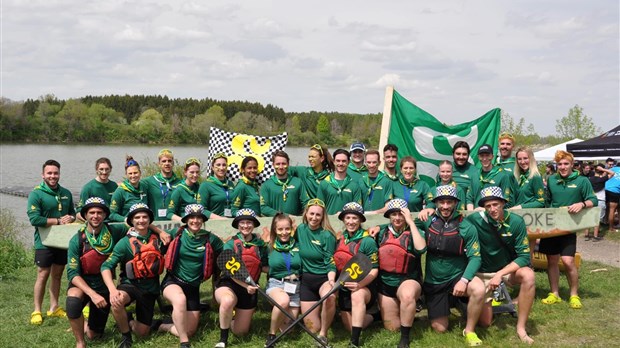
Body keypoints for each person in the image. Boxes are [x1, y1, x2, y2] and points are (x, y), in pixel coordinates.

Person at [466, 187, 536, 345]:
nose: (492, 209)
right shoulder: (475, 219)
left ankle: (521, 328)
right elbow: (455, 220)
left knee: (529, 275)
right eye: (488, 206)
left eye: (496, 204)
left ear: (503, 203)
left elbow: (524, 257)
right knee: (485, 323)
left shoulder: (517, 222)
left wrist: (499, 274)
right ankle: (473, 300)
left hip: (505, 272)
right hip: (482, 273)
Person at [418, 188, 484, 347]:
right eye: (441, 202)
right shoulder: (427, 219)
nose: (445, 206)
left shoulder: (467, 226)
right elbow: (398, 221)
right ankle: (456, 302)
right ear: (436, 203)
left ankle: (469, 330)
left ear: (455, 203)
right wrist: (379, 228)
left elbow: (476, 257)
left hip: (457, 276)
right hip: (435, 280)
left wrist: (464, 280)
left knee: (479, 289)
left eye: (449, 202)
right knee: (439, 328)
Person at [156, 204, 224, 348]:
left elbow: (225, 254)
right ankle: (184, 342)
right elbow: (153, 236)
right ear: (186, 220)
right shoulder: (177, 233)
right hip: (173, 281)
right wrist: (156, 231)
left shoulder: (211, 239)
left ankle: (163, 325)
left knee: (191, 330)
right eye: (192, 217)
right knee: (180, 300)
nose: (195, 221)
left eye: (199, 218)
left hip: (193, 287)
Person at [66, 197, 129, 348]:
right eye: (91, 212)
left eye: (99, 212)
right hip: (83, 282)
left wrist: (159, 231)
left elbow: (139, 225)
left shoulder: (115, 230)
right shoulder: (77, 240)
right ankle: (80, 343)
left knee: (94, 335)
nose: (95, 216)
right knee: (73, 302)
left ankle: (84, 323)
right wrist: (92, 295)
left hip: (103, 285)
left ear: (105, 215)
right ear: (85, 215)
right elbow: (72, 274)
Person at [101, 203, 165, 348]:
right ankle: (125, 336)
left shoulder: (159, 239)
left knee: (142, 332)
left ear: (150, 220)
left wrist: (160, 231)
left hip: (150, 288)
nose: (141, 220)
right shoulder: (124, 243)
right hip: (130, 284)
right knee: (117, 301)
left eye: (145, 217)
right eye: (137, 217)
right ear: (131, 221)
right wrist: (112, 290)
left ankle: (129, 320)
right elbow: (106, 266)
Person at [541, 150, 597, 310]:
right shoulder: (551, 180)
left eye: (566, 164)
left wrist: (582, 204)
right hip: (551, 225)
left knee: (568, 261)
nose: (563, 167)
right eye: (560, 164)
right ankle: (555, 294)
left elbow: (593, 199)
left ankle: (574, 294)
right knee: (551, 260)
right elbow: (547, 201)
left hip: (569, 227)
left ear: (572, 165)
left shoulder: (582, 181)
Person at [27, 159, 76, 325]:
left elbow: (73, 214)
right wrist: (58, 221)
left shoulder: (66, 193)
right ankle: (37, 310)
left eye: (55, 173)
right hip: (44, 241)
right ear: (43, 174)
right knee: (43, 274)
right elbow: (34, 219)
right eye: (49, 173)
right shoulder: (36, 193)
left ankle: (54, 307)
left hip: (62, 241)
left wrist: (72, 217)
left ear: (59, 174)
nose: (52, 176)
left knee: (57, 274)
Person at [375, 199, 426, 348]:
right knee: (392, 327)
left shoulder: (415, 230)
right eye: (394, 215)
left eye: (401, 214)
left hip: (408, 279)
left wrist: (411, 222)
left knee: (408, 295)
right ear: (389, 216)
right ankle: (403, 313)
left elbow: (422, 248)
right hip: (386, 283)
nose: (397, 218)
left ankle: (405, 338)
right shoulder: (381, 232)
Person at [214, 209, 268, 348]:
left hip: (250, 287)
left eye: (249, 222)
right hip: (229, 284)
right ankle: (223, 340)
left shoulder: (261, 246)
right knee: (227, 300)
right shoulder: (230, 244)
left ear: (254, 225)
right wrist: (247, 286)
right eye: (242, 222)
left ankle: (229, 318)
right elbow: (230, 270)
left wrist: (283, 271)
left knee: (241, 332)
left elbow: (264, 266)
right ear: (238, 225)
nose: (245, 225)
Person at [334, 202, 378, 348]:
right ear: (343, 220)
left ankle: (354, 341)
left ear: (360, 220)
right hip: (344, 285)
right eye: (348, 218)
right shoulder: (339, 239)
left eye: (355, 218)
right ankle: (373, 316)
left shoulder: (367, 241)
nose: (351, 222)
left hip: (363, 286)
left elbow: (374, 270)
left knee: (357, 295)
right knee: (349, 326)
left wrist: (360, 285)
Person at [296, 198, 337, 346]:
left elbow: (330, 260)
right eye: (311, 213)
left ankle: (324, 335)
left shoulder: (327, 235)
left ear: (323, 216)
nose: (314, 218)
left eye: (318, 215)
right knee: (312, 328)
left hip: (323, 278)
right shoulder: (300, 230)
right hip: (306, 280)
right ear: (306, 213)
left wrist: (331, 279)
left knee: (329, 297)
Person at [264, 213, 302, 347]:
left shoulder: (298, 246)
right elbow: (262, 266)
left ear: (291, 229)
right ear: (275, 230)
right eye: (280, 229)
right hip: (277, 284)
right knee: (283, 301)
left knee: (288, 330)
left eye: (287, 229)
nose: (284, 232)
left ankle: (280, 321)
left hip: (295, 286)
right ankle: (271, 335)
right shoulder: (268, 247)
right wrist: (279, 272)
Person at [468, 144, 518, 209]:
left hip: (495, 216)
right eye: (481, 156)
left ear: (492, 156)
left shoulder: (502, 175)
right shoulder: (474, 176)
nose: (484, 159)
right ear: (478, 157)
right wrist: (471, 212)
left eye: (487, 155)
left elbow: (506, 200)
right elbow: (469, 198)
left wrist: (487, 210)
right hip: (477, 216)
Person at [260, 150, 306, 216]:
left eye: (283, 164)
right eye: (278, 164)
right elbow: (263, 208)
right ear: (273, 165)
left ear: (288, 164)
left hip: (295, 222)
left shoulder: (298, 182)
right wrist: (283, 215)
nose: (281, 167)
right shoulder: (266, 185)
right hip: (275, 223)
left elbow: (306, 203)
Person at [318, 149, 362, 215]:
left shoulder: (354, 185)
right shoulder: (324, 183)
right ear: (333, 161)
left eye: (344, 161)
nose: (340, 164)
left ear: (349, 162)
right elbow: (319, 207)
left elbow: (357, 209)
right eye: (338, 161)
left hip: (348, 223)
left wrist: (343, 213)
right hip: (328, 223)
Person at [143, 148, 182, 221]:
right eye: (164, 161)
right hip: (155, 224)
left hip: (175, 224)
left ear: (173, 163)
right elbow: (133, 182)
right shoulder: (149, 181)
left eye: (169, 161)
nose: (167, 163)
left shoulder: (180, 182)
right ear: (159, 164)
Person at [76, 157, 118, 221]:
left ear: (110, 170)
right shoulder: (88, 188)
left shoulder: (114, 186)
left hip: (112, 221)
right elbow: (79, 211)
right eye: (101, 169)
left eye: (107, 169)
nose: (104, 172)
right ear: (96, 169)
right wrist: (90, 222)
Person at [109, 156, 149, 222]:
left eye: (135, 173)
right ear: (126, 175)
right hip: (127, 227)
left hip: (143, 224)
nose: (133, 176)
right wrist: (126, 220)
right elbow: (112, 215)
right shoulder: (120, 192)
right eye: (130, 173)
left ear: (140, 173)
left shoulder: (145, 187)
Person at [198, 152, 234, 219]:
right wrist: (220, 218)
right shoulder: (205, 185)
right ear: (212, 167)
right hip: (214, 223)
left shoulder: (230, 184)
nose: (221, 168)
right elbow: (201, 210)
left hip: (230, 222)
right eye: (218, 165)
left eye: (224, 165)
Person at [359, 149, 393, 214]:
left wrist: (375, 213)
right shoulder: (361, 181)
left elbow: (389, 206)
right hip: (363, 219)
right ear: (365, 163)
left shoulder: (386, 181)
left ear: (379, 163)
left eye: (374, 162)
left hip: (381, 219)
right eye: (369, 162)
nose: (371, 165)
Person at [585, 164, 612, 240]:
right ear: (601, 171)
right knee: (597, 219)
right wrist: (604, 169)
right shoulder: (602, 179)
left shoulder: (589, 179)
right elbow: (612, 173)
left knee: (588, 217)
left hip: (590, 200)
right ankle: (595, 236)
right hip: (600, 200)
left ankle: (586, 235)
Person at [604, 160, 620, 232]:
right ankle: (611, 227)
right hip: (615, 191)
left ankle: (606, 221)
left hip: (606, 189)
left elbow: (603, 176)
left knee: (608, 207)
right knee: (613, 209)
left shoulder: (611, 169)